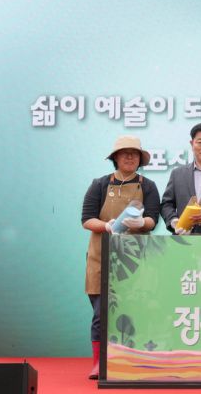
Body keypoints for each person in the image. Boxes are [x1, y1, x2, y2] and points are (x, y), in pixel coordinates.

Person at [81, 135, 160, 379]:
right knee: (100, 314)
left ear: (140, 159)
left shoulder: (148, 186)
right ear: (115, 157)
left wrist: (141, 223)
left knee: (136, 309)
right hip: (101, 257)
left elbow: (153, 219)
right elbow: (87, 219)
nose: (129, 157)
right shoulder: (100, 184)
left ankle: (134, 359)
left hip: (135, 260)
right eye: (124, 153)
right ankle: (98, 362)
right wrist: (106, 226)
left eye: (134, 154)